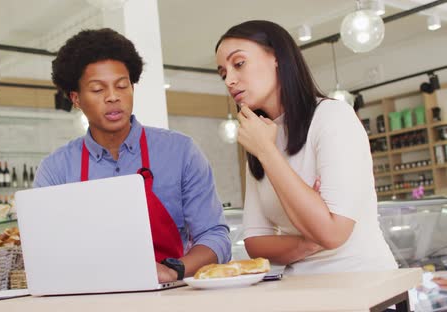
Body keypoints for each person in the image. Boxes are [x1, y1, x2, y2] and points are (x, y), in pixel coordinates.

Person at [34, 28, 231, 282]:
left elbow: (215, 236)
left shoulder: (181, 152)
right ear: (76, 99)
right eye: (97, 89)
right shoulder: (56, 170)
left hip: (170, 295)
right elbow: (45, 252)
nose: (113, 97)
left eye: (122, 85)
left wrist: (174, 269)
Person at [215, 20, 397, 275]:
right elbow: (256, 243)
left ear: (277, 57)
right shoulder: (259, 137)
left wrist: (268, 152)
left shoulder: (332, 116)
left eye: (239, 64)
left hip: (363, 283)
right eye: (223, 73)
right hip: (299, 289)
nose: (230, 81)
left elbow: (333, 233)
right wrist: (308, 240)